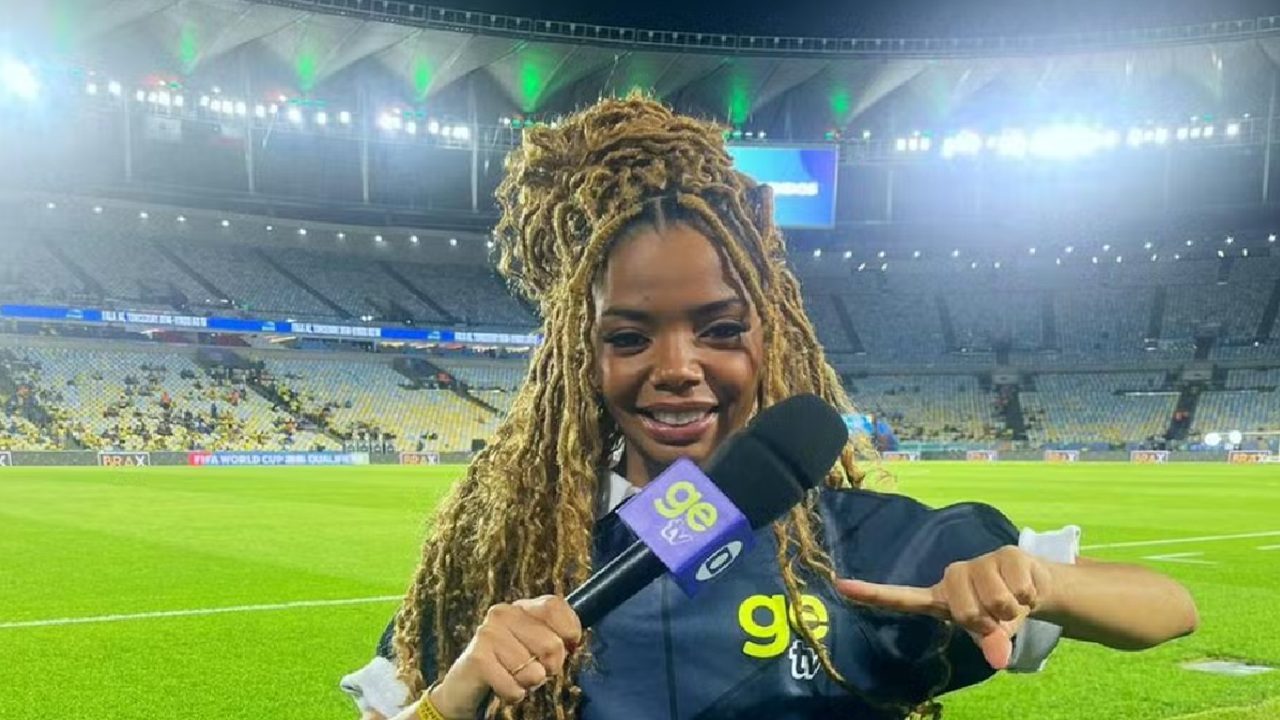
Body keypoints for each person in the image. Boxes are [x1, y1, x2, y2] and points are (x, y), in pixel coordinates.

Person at [341, 95, 1197, 720]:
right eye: (630, 337)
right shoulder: (498, 567)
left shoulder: (862, 544)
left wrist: (1040, 584)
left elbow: (1166, 608)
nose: (678, 369)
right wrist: (453, 698)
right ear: (579, 357)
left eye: (718, 328)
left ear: (770, 340)